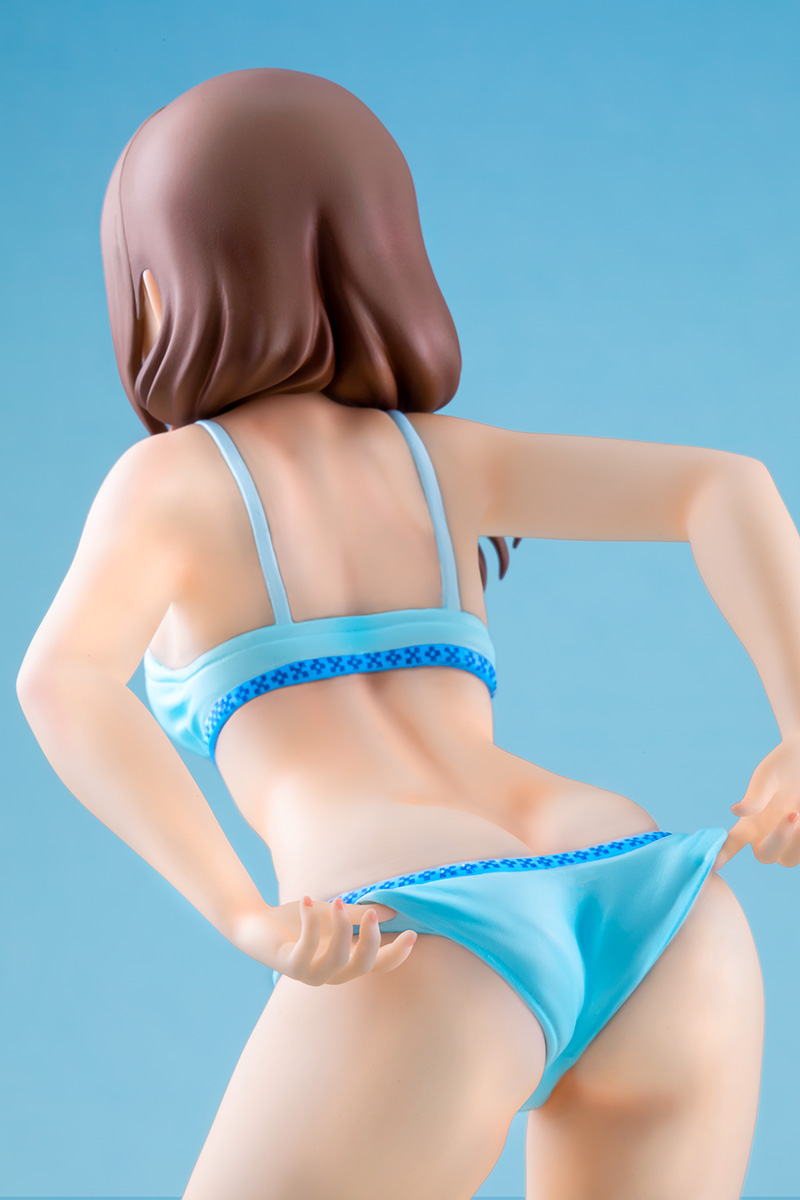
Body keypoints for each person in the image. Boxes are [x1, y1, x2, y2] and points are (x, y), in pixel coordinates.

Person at [15, 67, 798, 1200]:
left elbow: (61, 684)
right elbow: (726, 488)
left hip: (409, 930)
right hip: (657, 903)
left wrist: (243, 913)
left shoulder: (172, 482)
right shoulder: (447, 460)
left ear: (155, 281)